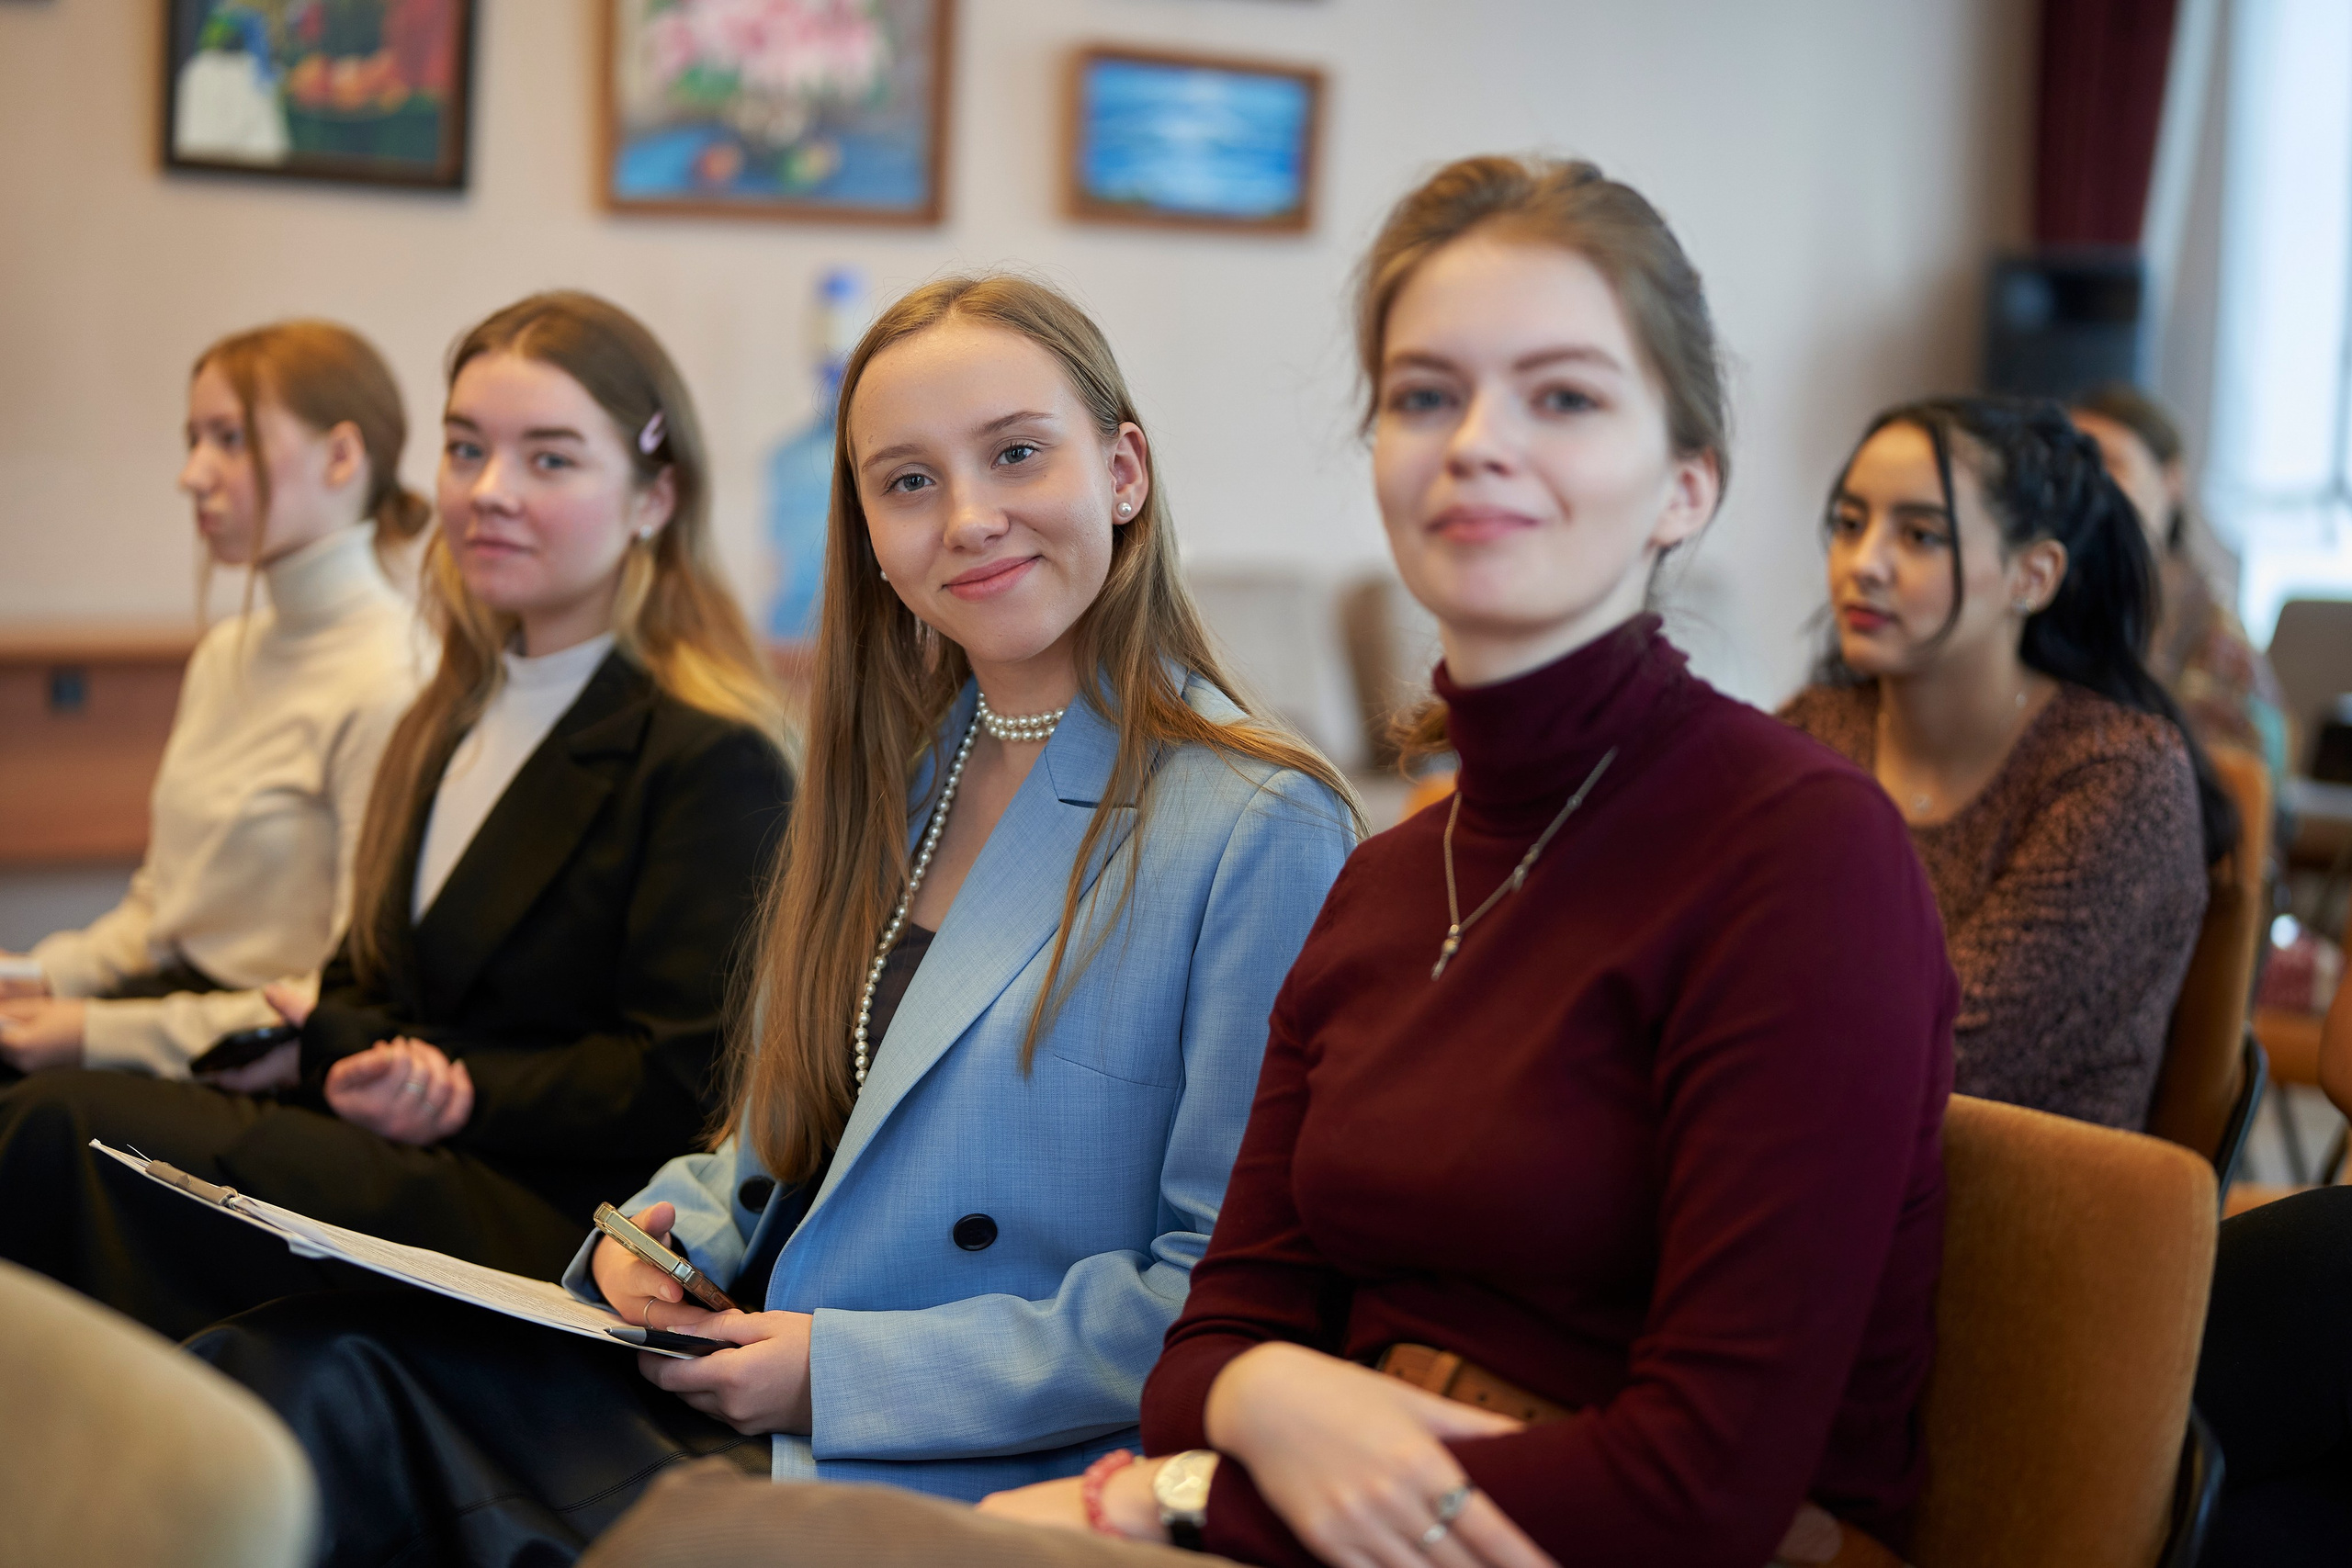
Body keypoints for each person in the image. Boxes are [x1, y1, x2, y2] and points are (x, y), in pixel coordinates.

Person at [592, 152, 1959, 1568]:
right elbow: (1217, 1343)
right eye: (1427, 395)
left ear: (1687, 484)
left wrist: (1180, 1488)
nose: (1479, 442)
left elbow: (1706, 1489)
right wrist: (1261, 1400)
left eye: (1563, 395)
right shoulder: (1393, 879)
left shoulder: (1803, 850)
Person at [187, 272, 1361, 1568]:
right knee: (281, 1365)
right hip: (740, 1351)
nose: (969, 518)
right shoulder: (896, 770)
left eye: (1017, 453)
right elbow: (779, 1123)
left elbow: (1217, 1293)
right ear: (861, 525)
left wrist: (837, 1371)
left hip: (949, 1452)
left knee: (330, 1419)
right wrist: (654, 1233)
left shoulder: (1258, 819)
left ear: (1125, 469)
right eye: (907, 481)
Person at [0, 291, 795, 1340]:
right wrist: (358, 1058)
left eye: (548, 460)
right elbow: (361, 985)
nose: (488, 492)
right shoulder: (449, 713)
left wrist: (461, 1090)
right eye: (467, 451)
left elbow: (676, 1083)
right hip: (410, 1153)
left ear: (653, 497)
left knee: (64, 1129)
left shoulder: (707, 751)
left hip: (555, 1216)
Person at [1781, 397, 2232, 1131]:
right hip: (1796, 1160)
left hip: (2015, 1219)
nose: (1864, 565)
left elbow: (1945, 1057)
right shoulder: (1814, 730)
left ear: (2034, 575)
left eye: (1921, 535)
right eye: (1850, 524)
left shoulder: (2116, 775)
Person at [0, 321, 428, 1081]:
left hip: (262, 1057)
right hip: (170, 1009)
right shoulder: (225, 653)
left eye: (229, 439)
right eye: (192, 439)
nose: (192, 474)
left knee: (32, 1121)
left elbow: (342, 998)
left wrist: (91, 1032)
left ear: (341, 456)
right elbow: (157, 916)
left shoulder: (390, 679)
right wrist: (37, 975)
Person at [2070, 382, 2290, 784]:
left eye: (2112, 464)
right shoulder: (2052, 595)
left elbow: (2216, 793)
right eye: (2075, 464)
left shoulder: (2207, 627)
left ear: (2172, 479)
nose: (2090, 484)